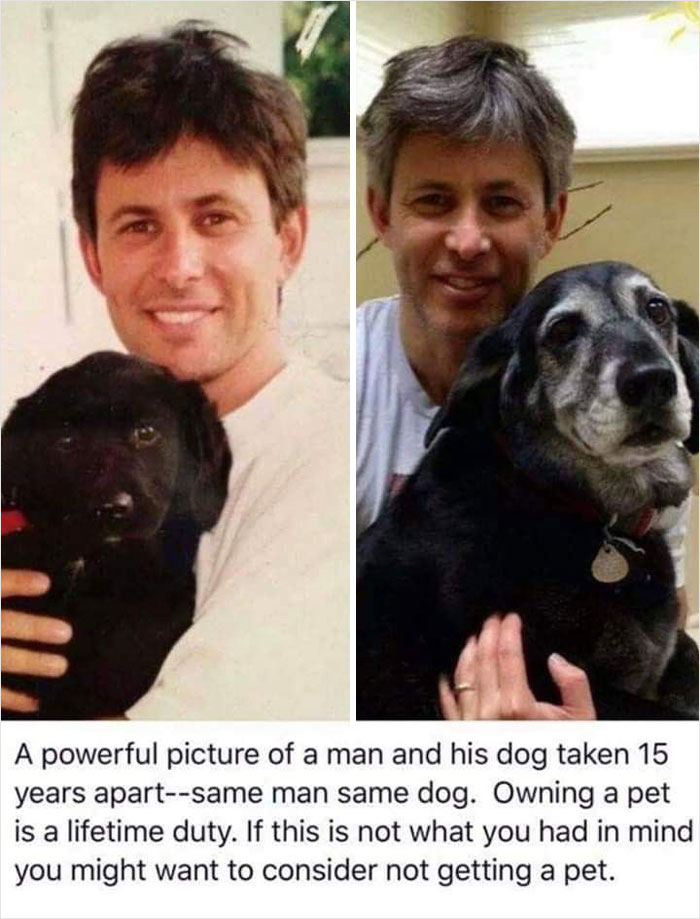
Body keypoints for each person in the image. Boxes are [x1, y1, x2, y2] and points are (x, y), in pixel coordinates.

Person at [1, 23, 349, 720]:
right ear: (94, 257)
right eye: (138, 225)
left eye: (215, 218)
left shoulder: (329, 459)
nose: (180, 265)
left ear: (288, 240)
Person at [356, 35, 689, 720]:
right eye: (434, 201)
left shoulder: (624, 441)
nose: (468, 240)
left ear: (552, 218)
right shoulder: (341, 389)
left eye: (502, 204)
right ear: (382, 213)